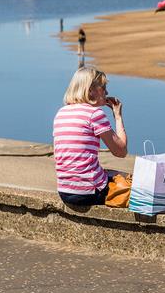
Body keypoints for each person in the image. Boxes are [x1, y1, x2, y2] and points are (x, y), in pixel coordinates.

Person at [53, 66, 127, 207]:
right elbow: (121, 152)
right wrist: (118, 117)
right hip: (88, 192)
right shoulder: (94, 114)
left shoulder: (61, 113)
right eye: (103, 87)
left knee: (111, 172)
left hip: (65, 190)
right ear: (90, 90)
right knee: (130, 179)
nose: (107, 92)